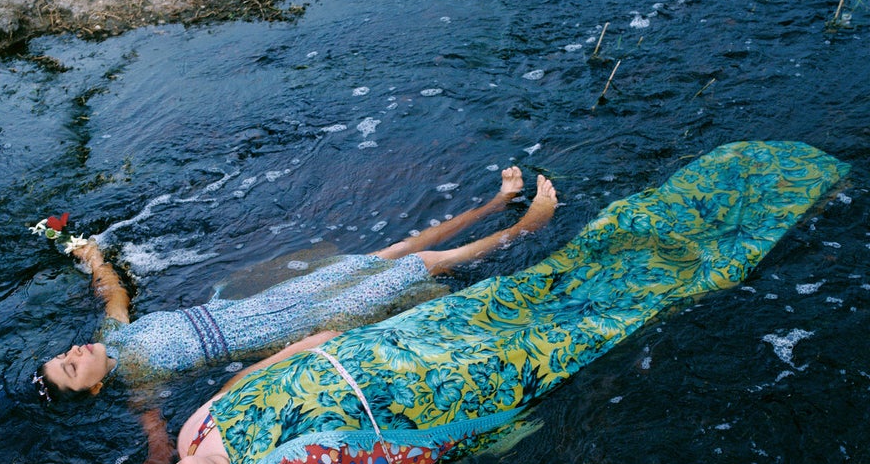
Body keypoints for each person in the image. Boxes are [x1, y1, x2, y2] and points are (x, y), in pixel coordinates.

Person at [133, 140, 848, 464]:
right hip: (463, 388)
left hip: (413, 336)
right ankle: (761, 225)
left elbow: (282, 360)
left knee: (560, 274)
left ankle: (714, 198)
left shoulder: (198, 431)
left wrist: (337, 340)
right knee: (607, 311)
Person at [35, 167, 559, 398]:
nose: (74, 353)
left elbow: (115, 292)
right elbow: (158, 455)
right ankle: (523, 227)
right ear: (95, 387)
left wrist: (92, 257)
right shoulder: (140, 385)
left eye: (65, 355)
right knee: (416, 267)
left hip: (277, 297)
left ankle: (494, 204)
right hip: (300, 322)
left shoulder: (113, 337)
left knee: (389, 252)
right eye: (72, 368)